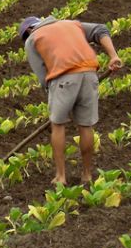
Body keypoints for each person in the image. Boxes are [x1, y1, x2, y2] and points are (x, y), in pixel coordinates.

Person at [19, 15, 124, 185]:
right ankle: (87, 175)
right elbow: (101, 29)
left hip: (63, 78)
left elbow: (42, 76)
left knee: (58, 125)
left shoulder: (32, 38)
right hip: (90, 75)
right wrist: (113, 56)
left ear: (28, 30)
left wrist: (56, 97)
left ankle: (61, 176)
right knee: (85, 125)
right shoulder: (72, 24)